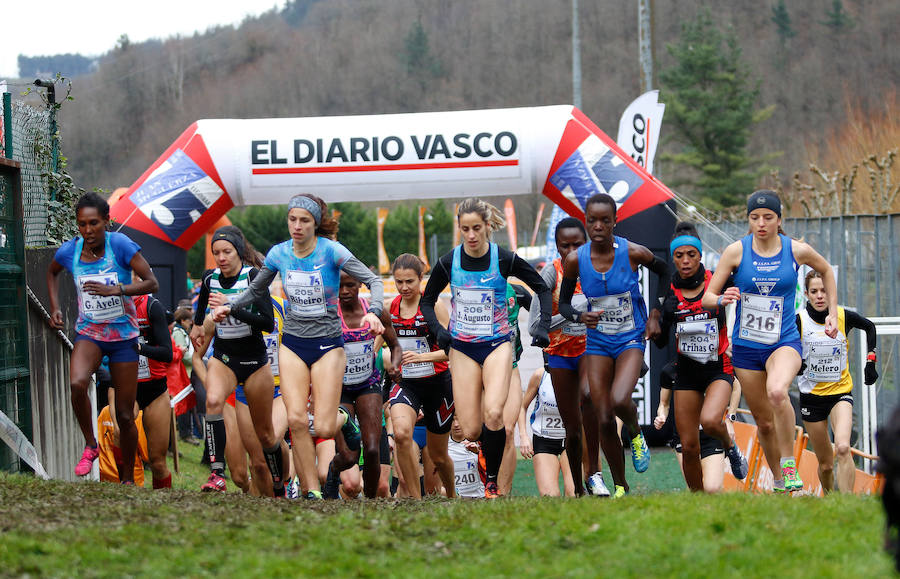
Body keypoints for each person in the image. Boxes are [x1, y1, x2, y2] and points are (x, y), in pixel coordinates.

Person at [219, 194, 382, 499]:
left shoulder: (332, 251)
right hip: (293, 344)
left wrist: (375, 310)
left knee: (321, 425)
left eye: (304, 220)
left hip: (328, 346)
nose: (297, 226)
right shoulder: (279, 254)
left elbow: (373, 280)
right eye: (292, 219)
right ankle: (312, 491)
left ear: (316, 224)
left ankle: (344, 420)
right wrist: (230, 306)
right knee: (296, 420)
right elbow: (256, 289)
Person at [702, 190, 839, 493]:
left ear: (779, 219)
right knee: (764, 423)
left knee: (778, 392)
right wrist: (722, 297)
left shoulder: (796, 250)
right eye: (754, 218)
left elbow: (827, 270)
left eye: (767, 217)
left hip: (784, 341)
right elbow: (708, 296)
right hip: (747, 347)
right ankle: (778, 480)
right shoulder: (736, 252)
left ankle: (789, 464)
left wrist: (833, 315)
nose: (761, 223)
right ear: (748, 220)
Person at [421, 198, 551, 498]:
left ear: (487, 227)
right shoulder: (448, 262)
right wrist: (438, 330)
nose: (471, 235)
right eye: (464, 229)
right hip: (463, 348)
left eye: (476, 228)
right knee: (471, 430)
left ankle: (491, 482)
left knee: (494, 413)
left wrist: (540, 327)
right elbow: (427, 301)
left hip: (497, 344)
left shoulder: (503, 259)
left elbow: (541, 288)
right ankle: (486, 462)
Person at [558, 193, 669, 496]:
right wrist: (581, 316)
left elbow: (664, 270)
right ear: (586, 222)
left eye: (605, 221)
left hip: (630, 338)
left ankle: (635, 433)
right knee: (603, 414)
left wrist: (656, 314)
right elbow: (564, 305)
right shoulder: (575, 260)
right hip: (598, 342)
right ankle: (621, 485)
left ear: (614, 222)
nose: (598, 226)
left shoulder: (632, 252)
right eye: (592, 220)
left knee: (620, 400)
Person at [46, 192, 159, 483]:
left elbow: (152, 282)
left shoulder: (119, 245)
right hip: (90, 332)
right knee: (76, 382)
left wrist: (117, 290)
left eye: (93, 223)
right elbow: (52, 273)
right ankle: (90, 444)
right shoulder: (70, 251)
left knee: (124, 414)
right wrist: (56, 308)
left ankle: (127, 479)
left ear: (106, 221)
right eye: (82, 224)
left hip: (123, 337)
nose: (87, 230)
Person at [651, 223, 748, 492]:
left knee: (710, 420)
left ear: (700, 256)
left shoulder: (716, 280)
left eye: (691, 254)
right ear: (673, 257)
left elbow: (747, 290)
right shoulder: (668, 290)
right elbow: (658, 343)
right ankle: (699, 502)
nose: (685, 261)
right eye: (679, 255)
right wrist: (666, 316)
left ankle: (730, 446)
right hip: (686, 372)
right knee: (690, 445)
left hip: (718, 367)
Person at [190, 225, 285, 496]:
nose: (221, 258)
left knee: (266, 435)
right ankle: (216, 472)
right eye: (216, 252)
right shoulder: (210, 279)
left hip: (255, 362)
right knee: (213, 401)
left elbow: (267, 322)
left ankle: (279, 484)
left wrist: (232, 306)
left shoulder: (253, 276)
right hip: (225, 356)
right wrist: (198, 326)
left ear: (239, 252)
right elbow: (201, 309)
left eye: (227, 252)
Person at [529, 217, 609, 497]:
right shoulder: (551, 275)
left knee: (590, 400)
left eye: (578, 244)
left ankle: (595, 474)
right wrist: (573, 314)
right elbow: (534, 325)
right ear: (557, 247)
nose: (572, 251)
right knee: (572, 429)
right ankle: (578, 485)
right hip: (560, 356)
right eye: (565, 246)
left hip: (590, 350)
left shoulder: (598, 272)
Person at [797, 270, 878, 492]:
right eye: (814, 291)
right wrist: (796, 365)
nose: (820, 296)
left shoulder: (842, 316)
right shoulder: (799, 320)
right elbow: (785, 349)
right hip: (811, 398)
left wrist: (871, 360)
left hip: (840, 393)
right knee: (825, 464)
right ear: (807, 294)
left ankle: (846, 505)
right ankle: (831, 501)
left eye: (824, 290)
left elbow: (870, 327)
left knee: (842, 447)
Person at [325, 271, 400, 499]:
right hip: (339, 389)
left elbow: (395, 346)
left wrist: (395, 366)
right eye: (339, 287)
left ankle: (369, 502)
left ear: (360, 285)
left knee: (372, 449)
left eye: (350, 285)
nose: (345, 291)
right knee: (349, 455)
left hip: (368, 385)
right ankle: (333, 471)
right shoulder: (329, 315)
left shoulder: (375, 313)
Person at [388, 254, 456, 499]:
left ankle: (452, 496)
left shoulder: (434, 306)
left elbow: (452, 351)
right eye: (399, 282)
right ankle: (416, 501)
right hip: (408, 384)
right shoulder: (392, 307)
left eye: (410, 282)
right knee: (402, 433)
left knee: (438, 455)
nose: (404, 287)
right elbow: (380, 341)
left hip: (438, 385)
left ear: (421, 279)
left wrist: (421, 357)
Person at [654, 361, 727, 493]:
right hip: (684, 438)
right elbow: (664, 404)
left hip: (710, 437)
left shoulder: (715, 366)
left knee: (713, 488)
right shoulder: (669, 370)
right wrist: (661, 416)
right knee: (696, 489)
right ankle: (700, 513)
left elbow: (736, 386)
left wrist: (731, 417)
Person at [131, 293, 174, 488]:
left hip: (155, 388)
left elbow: (167, 353)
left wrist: (139, 348)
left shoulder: (151, 306)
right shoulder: (110, 306)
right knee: (118, 436)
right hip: (125, 386)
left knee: (157, 462)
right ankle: (123, 496)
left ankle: (164, 506)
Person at [497, 282, 532, 495]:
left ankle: (502, 493)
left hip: (510, 367)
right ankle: (482, 487)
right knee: (478, 431)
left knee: (507, 431)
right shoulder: (471, 288)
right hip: (478, 368)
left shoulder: (516, 291)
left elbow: (539, 311)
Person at [521, 367, 575, 496]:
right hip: (544, 440)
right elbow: (522, 407)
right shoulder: (540, 375)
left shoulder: (579, 373)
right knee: (550, 496)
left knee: (573, 493)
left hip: (572, 440)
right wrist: (523, 436)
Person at [448, 416, 485, 498]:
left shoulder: (479, 439)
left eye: (459, 419)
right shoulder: (442, 445)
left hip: (480, 497)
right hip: (455, 500)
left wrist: (478, 453)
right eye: (452, 420)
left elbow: (492, 470)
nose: (456, 424)